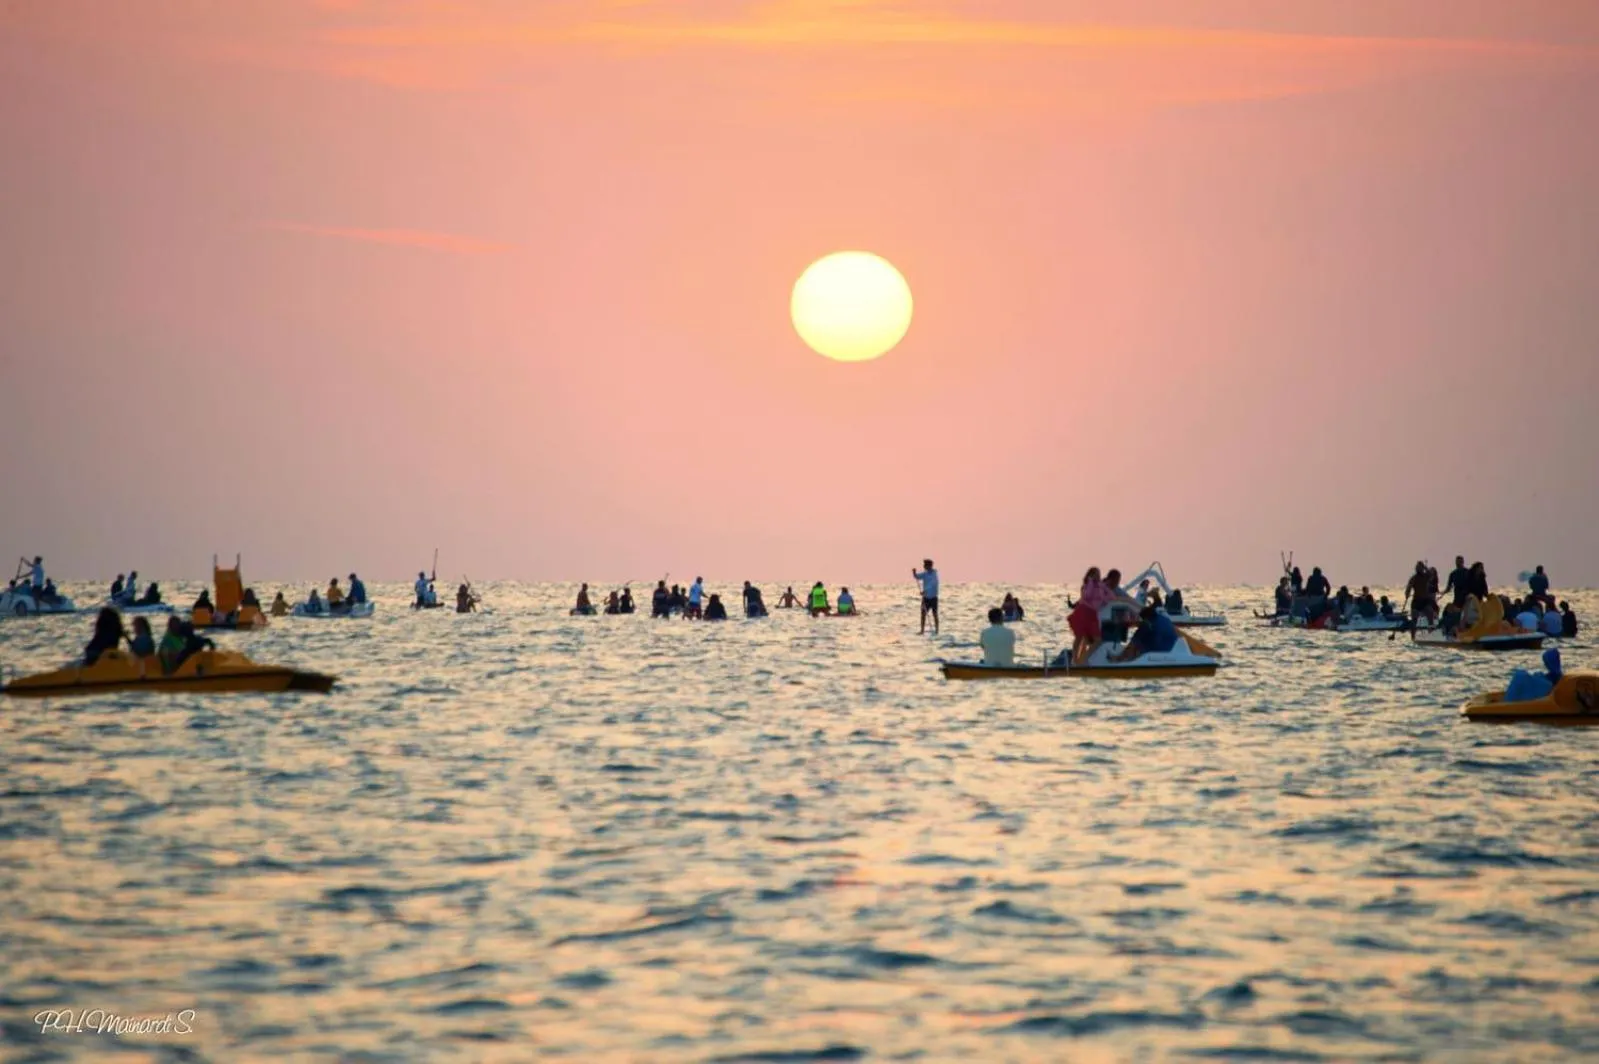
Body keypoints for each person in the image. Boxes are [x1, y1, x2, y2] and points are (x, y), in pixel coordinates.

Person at [1068, 567, 1112, 663]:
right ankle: (1075, 660)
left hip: (1092, 614)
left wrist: (1104, 587)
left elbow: (1111, 597)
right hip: (1083, 611)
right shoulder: (1086, 585)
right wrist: (1091, 582)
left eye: (1099, 574)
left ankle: (1084, 658)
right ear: (1090, 575)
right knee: (1079, 637)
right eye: (1096, 574)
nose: (1098, 576)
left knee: (1098, 639)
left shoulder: (1100, 587)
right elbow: (1087, 596)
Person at [1115, 604, 1179, 662]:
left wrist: (1119, 658)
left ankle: (1122, 659)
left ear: (1145, 618)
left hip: (1157, 652)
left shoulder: (1146, 624)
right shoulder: (1164, 618)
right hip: (1172, 648)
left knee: (1137, 642)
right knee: (1143, 638)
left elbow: (1132, 643)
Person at [913, 559, 939, 634]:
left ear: (929, 565)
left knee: (935, 614)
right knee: (923, 614)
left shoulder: (934, 574)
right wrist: (914, 573)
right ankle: (922, 631)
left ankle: (937, 631)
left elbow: (933, 584)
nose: (924, 566)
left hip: (933, 597)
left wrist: (925, 590)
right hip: (926, 598)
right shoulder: (925, 574)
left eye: (925, 565)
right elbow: (917, 577)